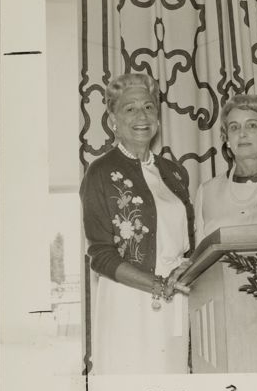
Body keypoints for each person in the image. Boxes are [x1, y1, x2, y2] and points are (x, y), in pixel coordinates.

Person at [80, 73, 195, 374]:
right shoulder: (100, 172)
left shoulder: (175, 172)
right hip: (127, 300)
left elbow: (188, 245)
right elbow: (101, 255)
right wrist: (156, 284)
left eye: (148, 107)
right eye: (130, 108)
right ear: (113, 120)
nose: (142, 116)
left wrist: (185, 268)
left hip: (174, 301)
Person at [195, 94, 257, 244]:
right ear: (226, 138)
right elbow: (201, 256)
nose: (242, 134)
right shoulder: (207, 192)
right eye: (234, 127)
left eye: (252, 125)